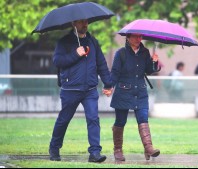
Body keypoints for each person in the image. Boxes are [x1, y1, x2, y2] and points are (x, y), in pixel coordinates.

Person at [49, 19, 113, 163]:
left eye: (86, 22)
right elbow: (57, 61)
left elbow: (101, 63)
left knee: (93, 119)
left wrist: (108, 83)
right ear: (73, 24)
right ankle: (54, 148)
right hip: (70, 89)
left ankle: (95, 153)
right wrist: (75, 54)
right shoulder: (64, 42)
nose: (85, 24)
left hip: (90, 89)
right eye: (81, 22)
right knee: (63, 120)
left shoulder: (93, 41)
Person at [109, 33, 160, 161]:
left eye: (140, 37)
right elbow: (115, 72)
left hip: (140, 92)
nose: (138, 39)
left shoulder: (145, 52)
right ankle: (118, 150)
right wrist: (109, 86)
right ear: (128, 38)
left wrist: (154, 62)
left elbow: (149, 70)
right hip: (123, 92)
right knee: (120, 121)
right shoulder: (120, 53)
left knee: (143, 119)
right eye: (135, 37)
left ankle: (148, 148)